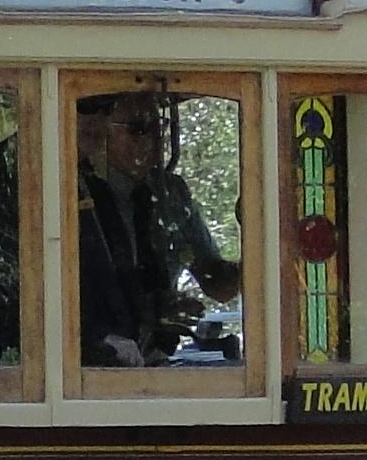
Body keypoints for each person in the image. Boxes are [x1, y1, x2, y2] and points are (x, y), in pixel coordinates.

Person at [74, 91, 241, 364]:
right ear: (103, 131)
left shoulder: (171, 195)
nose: (152, 141)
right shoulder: (79, 195)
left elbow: (219, 285)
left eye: (159, 127)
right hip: (99, 360)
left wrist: (261, 243)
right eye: (138, 129)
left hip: (157, 357)